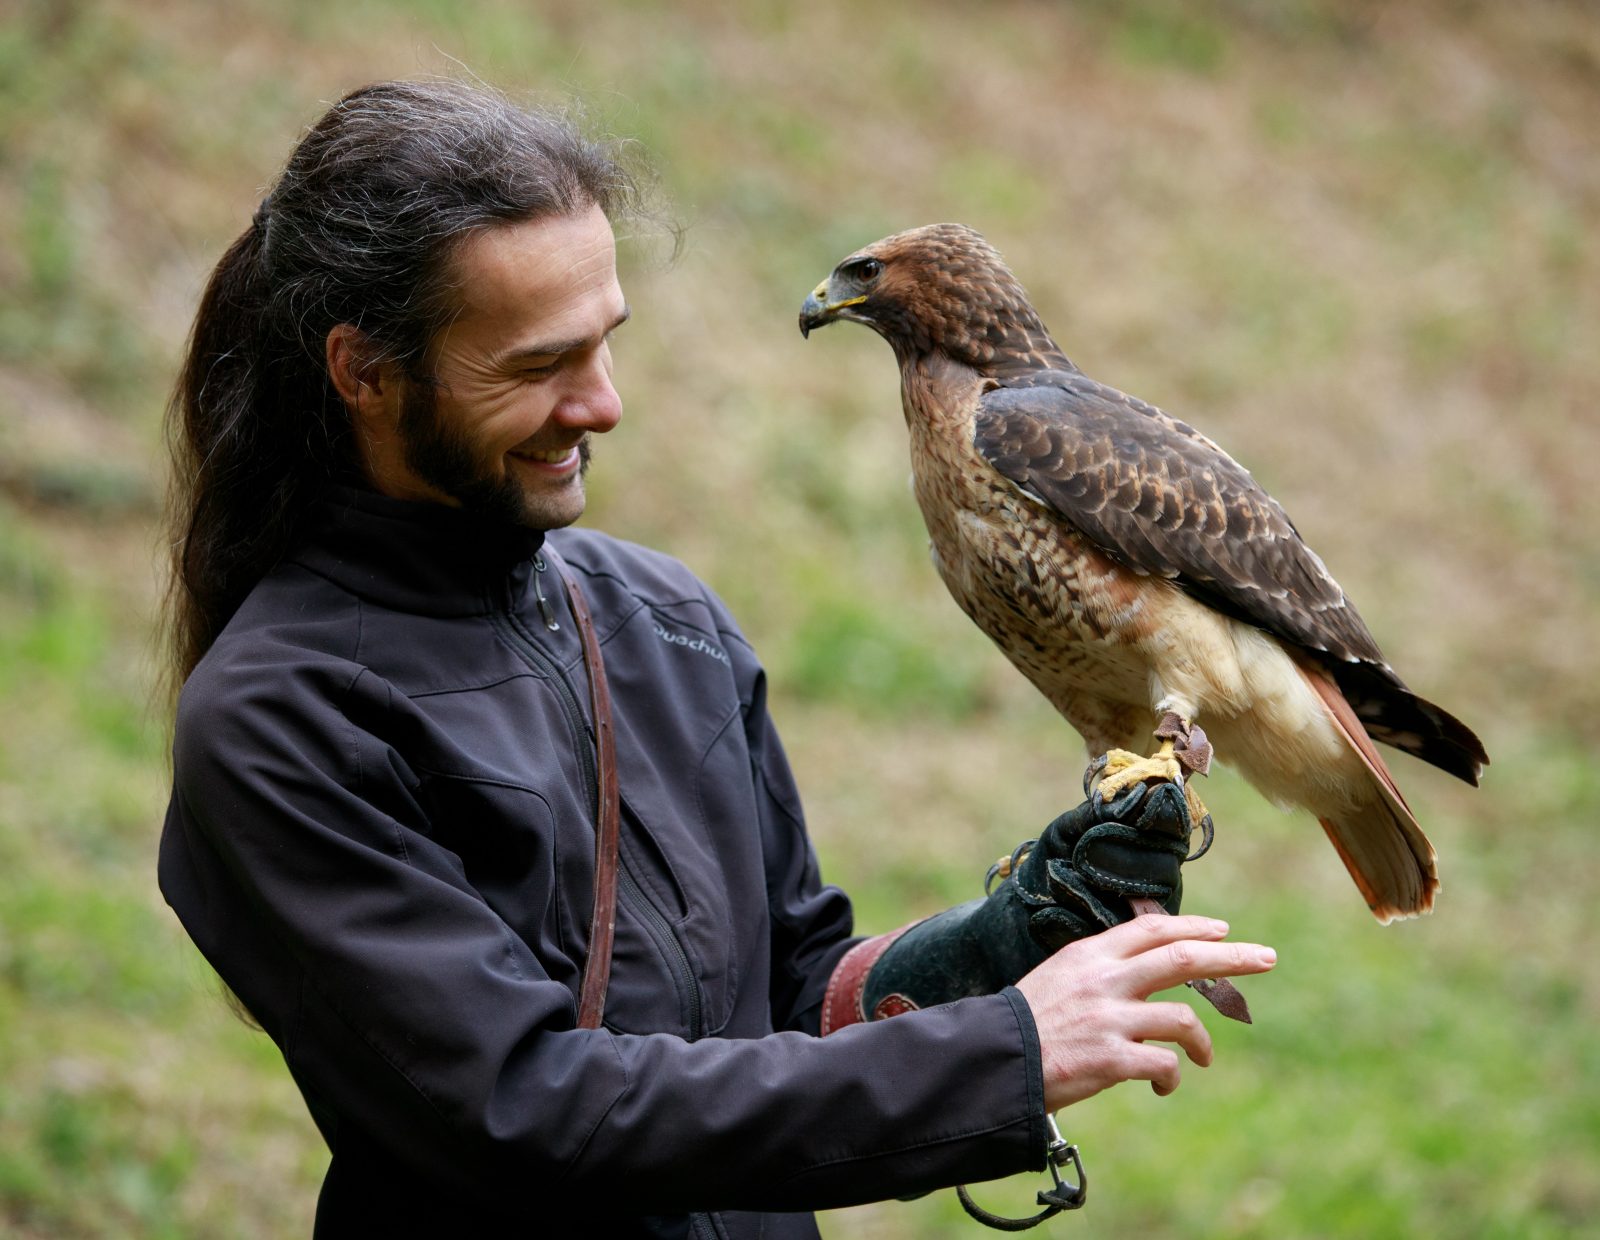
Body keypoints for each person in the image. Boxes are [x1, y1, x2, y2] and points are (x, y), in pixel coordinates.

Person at [157, 80, 1275, 1239]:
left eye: (606, 343)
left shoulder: (663, 620)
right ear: (366, 373)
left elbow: (792, 1001)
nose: (603, 403)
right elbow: (520, 1107)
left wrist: (1004, 946)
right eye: (539, 364)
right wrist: (1003, 1053)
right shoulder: (281, 717)